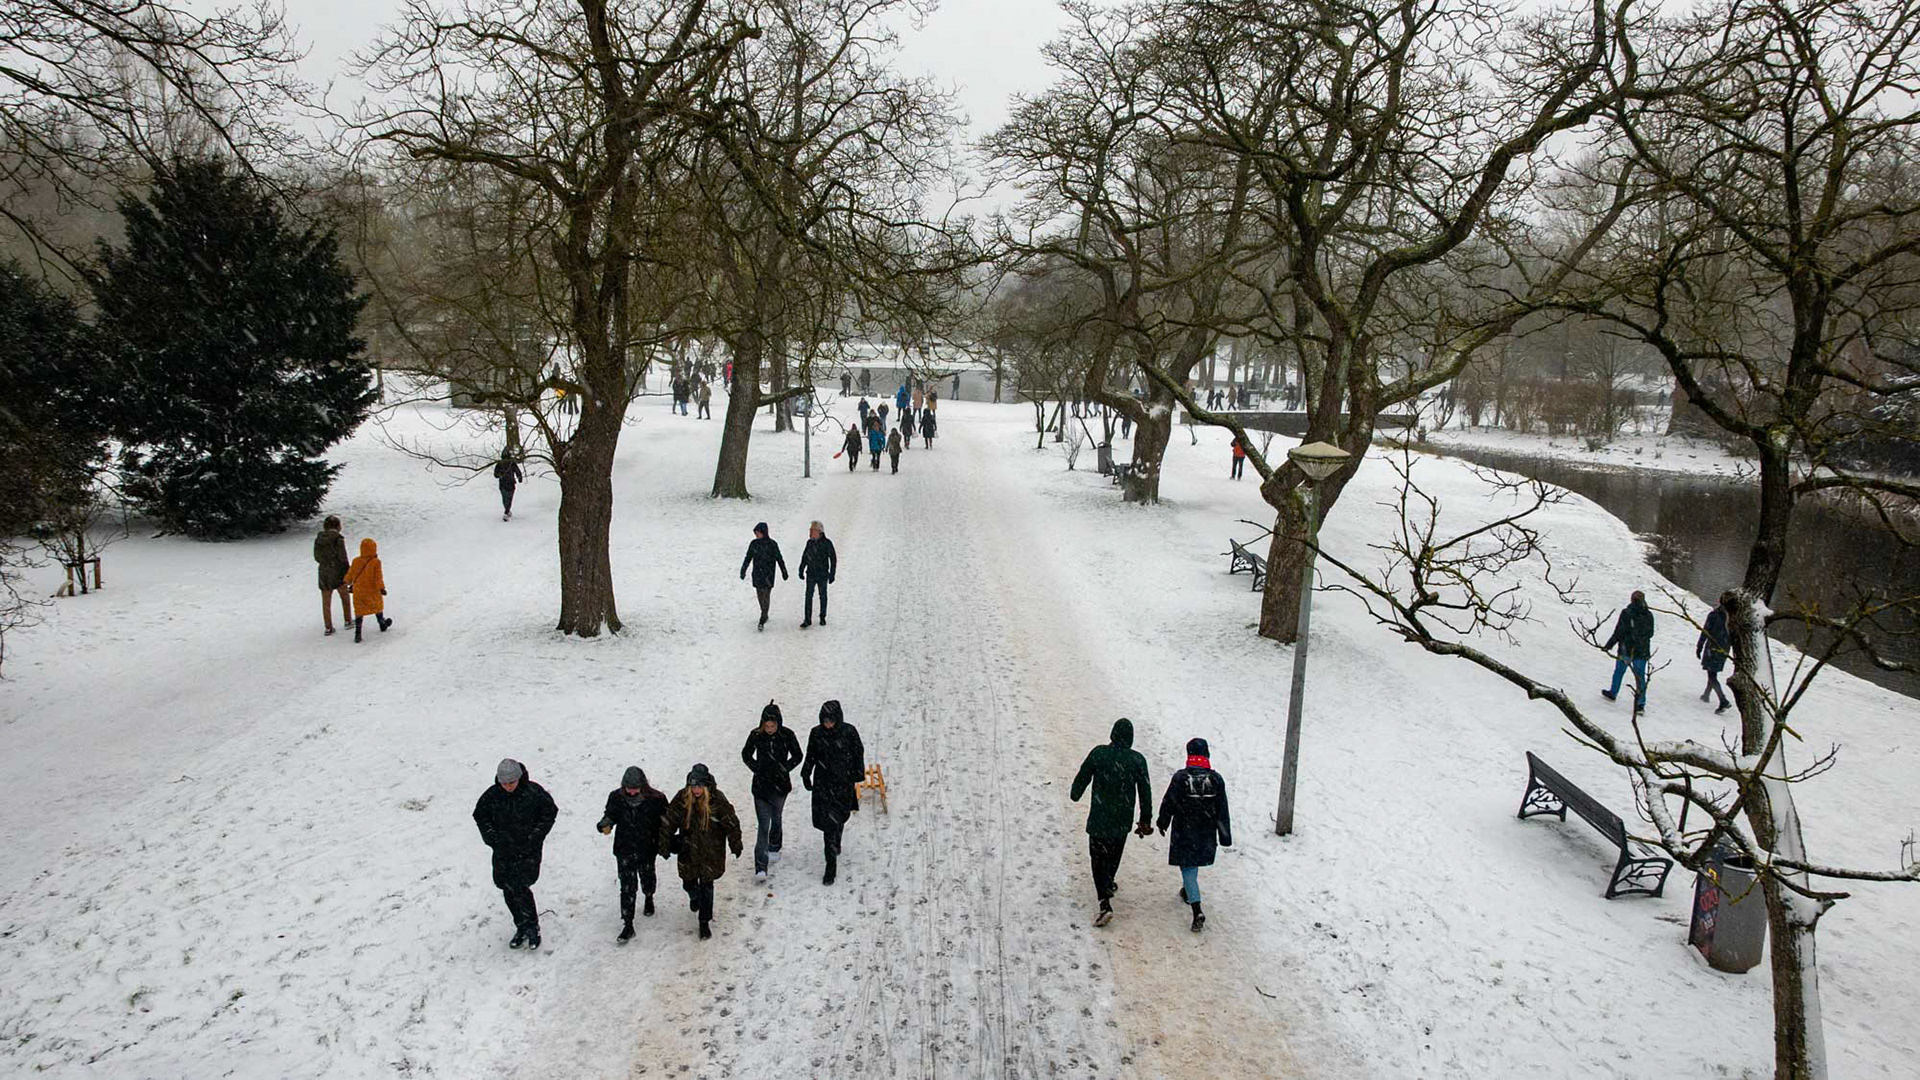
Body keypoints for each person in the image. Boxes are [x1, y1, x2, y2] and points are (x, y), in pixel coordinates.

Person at [1070, 718, 1154, 927]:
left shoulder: (1099, 753)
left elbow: (1083, 775)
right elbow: (1145, 791)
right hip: (1122, 819)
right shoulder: (1137, 760)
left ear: (1112, 734)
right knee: (1114, 855)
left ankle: (1104, 901)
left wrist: (1075, 793)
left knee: (1098, 858)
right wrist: (1145, 819)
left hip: (1099, 816)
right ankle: (1108, 882)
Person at [474, 759, 558, 950]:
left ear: (519, 778)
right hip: (503, 850)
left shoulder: (533, 793)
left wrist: (535, 836)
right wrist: (492, 838)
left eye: (511, 782)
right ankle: (521, 926)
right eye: (504, 783)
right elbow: (480, 816)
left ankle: (532, 927)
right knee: (507, 887)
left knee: (520, 886)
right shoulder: (492, 796)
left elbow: (549, 813)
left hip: (527, 850)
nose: (508, 787)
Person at [657, 764, 742, 940]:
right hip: (688, 850)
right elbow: (668, 822)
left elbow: (730, 822)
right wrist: (664, 845)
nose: (696, 790)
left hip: (711, 850)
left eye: (699, 787)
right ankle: (693, 896)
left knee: (707, 887)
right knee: (688, 883)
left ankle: (704, 922)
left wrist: (735, 843)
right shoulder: (682, 798)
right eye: (693, 787)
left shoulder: (717, 799)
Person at [1156, 738, 1231, 933]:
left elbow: (1169, 801)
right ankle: (1187, 890)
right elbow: (1222, 809)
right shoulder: (1215, 779)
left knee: (1188, 866)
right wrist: (1225, 836)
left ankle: (1197, 910)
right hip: (1206, 832)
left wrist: (1163, 821)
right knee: (1193, 862)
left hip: (1184, 830)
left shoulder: (1181, 778)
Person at [597, 766, 668, 941]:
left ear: (643, 785)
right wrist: (605, 823)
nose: (631, 792)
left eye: (635, 788)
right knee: (627, 887)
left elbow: (666, 821)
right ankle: (628, 924)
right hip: (625, 849)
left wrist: (666, 841)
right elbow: (611, 814)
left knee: (647, 877)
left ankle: (649, 896)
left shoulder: (656, 799)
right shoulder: (616, 797)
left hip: (647, 848)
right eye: (628, 788)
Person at [801, 700, 865, 885]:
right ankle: (830, 867)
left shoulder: (849, 732)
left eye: (831, 721)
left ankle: (837, 839)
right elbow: (811, 754)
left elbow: (858, 752)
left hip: (843, 784)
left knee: (839, 818)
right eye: (825, 721)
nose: (828, 724)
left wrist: (857, 774)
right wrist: (806, 773)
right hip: (823, 784)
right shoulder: (816, 733)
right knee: (828, 825)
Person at [741, 701, 804, 879]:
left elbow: (798, 755)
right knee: (763, 825)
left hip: (780, 787)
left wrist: (784, 768)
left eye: (772, 726)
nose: (769, 729)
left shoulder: (787, 735)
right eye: (766, 726)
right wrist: (756, 768)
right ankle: (761, 866)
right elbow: (746, 754)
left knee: (776, 817)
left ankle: (775, 846)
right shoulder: (755, 735)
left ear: (778, 724)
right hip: (761, 787)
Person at [1601, 590, 1656, 713]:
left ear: (1631, 599)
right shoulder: (1648, 614)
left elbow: (1619, 631)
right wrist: (1640, 638)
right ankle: (1640, 704)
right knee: (1640, 677)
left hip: (1626, 649)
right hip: (1642, 650)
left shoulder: (1627, 613)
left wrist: (1609, 645)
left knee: (1619, 671)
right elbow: (1650, 633)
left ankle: (1613, 693)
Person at [739, 522, 789, 631]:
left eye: (758, 533)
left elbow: (779, 558)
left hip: (768, 574)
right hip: (757, 573)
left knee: (766, 594)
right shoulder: (754, 544)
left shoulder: (772, 544)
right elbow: (748, 557)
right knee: (760, 595)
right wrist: (743, 570)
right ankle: (764, 612)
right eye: (755, 533)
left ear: (764, 532)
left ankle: (763, 616)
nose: (756, 535)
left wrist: (784, 571)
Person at [343, 538, 391, 643]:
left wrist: (346, 581)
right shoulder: (376, 562)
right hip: (372, 591)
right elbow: (378, 578)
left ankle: (358, 633)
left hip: (359, 592)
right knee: (377, 607)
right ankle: (382, 624)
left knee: (359, 611)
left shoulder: (356, 561)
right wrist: (381, 588)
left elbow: (350, 574)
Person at [314, 515, 352, 636]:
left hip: (324, 572)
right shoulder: (338, 539)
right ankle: (348, 620)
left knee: (326, 601)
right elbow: (343, 557)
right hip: (338, 571)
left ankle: (328, 627)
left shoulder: (319, 539)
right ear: (338, 526)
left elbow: (316, 557)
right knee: (344, 597)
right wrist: (348, 572)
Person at [1697, 591, 1735, 714]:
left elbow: (1706, 631)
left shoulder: (1714, 615)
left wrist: (1699, 646)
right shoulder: (1733, 617)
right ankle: (1706, 694)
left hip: (1713, 648)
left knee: (1712, 675)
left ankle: (1723, 700)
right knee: (1713, 671)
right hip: (1724, 649)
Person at [799, 520, 836, 628]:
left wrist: (832, 573)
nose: (810, 532)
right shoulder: (809, 543)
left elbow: (833, 559)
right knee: (808, 596)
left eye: (812, 530)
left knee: (823, 595)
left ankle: (822, 617)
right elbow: (805, 557)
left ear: (819, 532)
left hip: (822, 574)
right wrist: (801, 569)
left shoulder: (827, 543)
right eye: (810, 530)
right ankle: (807, 619)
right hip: (811, 573)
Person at [493, 451, 524, 520]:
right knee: (509, 498)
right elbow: (517, 471)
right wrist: (520, 478)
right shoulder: (512, 463)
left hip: (502, 483)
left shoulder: (499, 464)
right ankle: (507, 511)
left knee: (504, 498)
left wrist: (500, 475)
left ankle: (507, 510)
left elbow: (495, 475)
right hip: (510, 483)